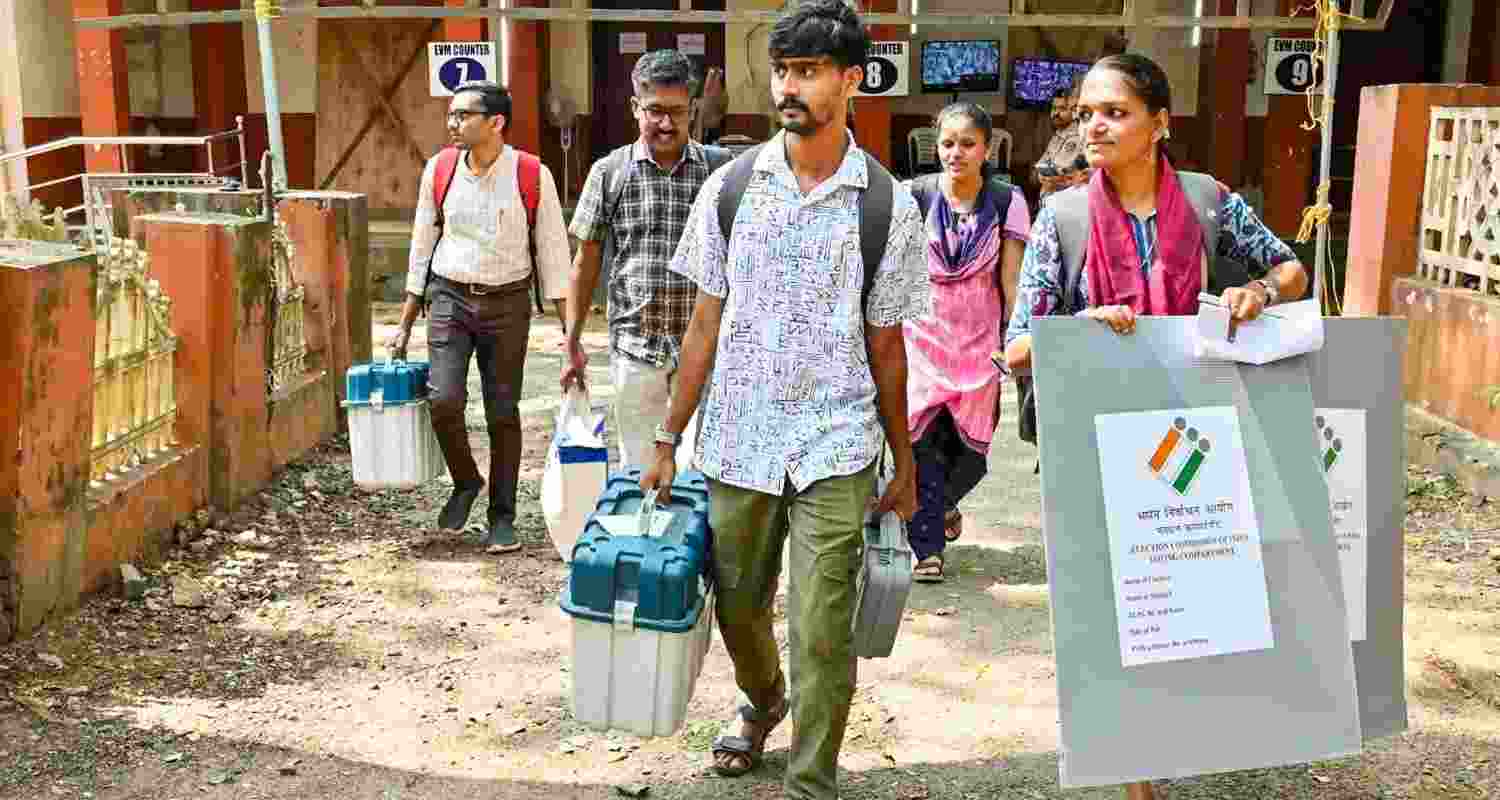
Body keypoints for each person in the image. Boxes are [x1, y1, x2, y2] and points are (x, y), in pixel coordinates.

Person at [640, 1, 929, 797]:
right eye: (783, 71)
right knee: (738, 607)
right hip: (737, 437)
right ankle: (763, 698)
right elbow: (704, 323)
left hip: (836, 441)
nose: (790, 87)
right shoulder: (732, 189)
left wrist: (902, 460)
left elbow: (887, 344)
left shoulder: (886, 205)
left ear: (850, 80)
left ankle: (812, 780)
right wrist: (669, 438)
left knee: (822, 626)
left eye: (808, 72)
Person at [1003, 53, 1307, 372]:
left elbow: (1292, 272)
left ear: (1159, 123)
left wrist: (1259, 291)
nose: (1093, 127)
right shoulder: (1061, 216)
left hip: (1192, 404)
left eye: (1115, 112)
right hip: (1093, 405)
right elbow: (1017, 349)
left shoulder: (1207, 200)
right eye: (1084, 114)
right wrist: (1081, 329)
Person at [387, 81, 571, 554]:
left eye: (464, 115)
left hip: (508, 303)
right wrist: (406, 320)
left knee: (502, 413)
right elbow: (421, 245)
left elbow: (553, 254)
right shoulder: (440, 169)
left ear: (496, 123)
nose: (453, 123)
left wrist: (571, 334)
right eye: (451, 115)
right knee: (443, 400)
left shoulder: (531, 174)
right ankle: (467, 481)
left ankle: (502, 516)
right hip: (449, 297)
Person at [563, 50, 728, 470]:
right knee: (641, 469)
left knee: (702, 472)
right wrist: (571, 340)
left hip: (706, 347)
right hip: (636, 347)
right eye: (654, 111)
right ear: (635, 107)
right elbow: (586, 261)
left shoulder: (719, 171)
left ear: (692, 109)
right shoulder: (609, 172)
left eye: (676, 112)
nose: (666, 124)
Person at [903, 102, 1029, 583]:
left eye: (968, 144)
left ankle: (943, 504)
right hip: (923, 339)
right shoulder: (911, 196)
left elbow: (1013, 279)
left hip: (981, 347)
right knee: (922, 446)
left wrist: (1018, 338)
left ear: (987, 148)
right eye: (948, 143)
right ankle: (926, 548)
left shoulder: (1006, 201)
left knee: (972, 456)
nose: (956, 153)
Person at [1034, 85, 1088, 202]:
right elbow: (1042, 164)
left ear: (1074, 111)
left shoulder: (1080, 134)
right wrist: (1042, 174)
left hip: (1068, 202)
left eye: (1062, 109)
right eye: (1054, 108)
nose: (1056, 113)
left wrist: (1058, 179)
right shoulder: (1058, 133)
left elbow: (1076, 176)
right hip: (1048, 201)